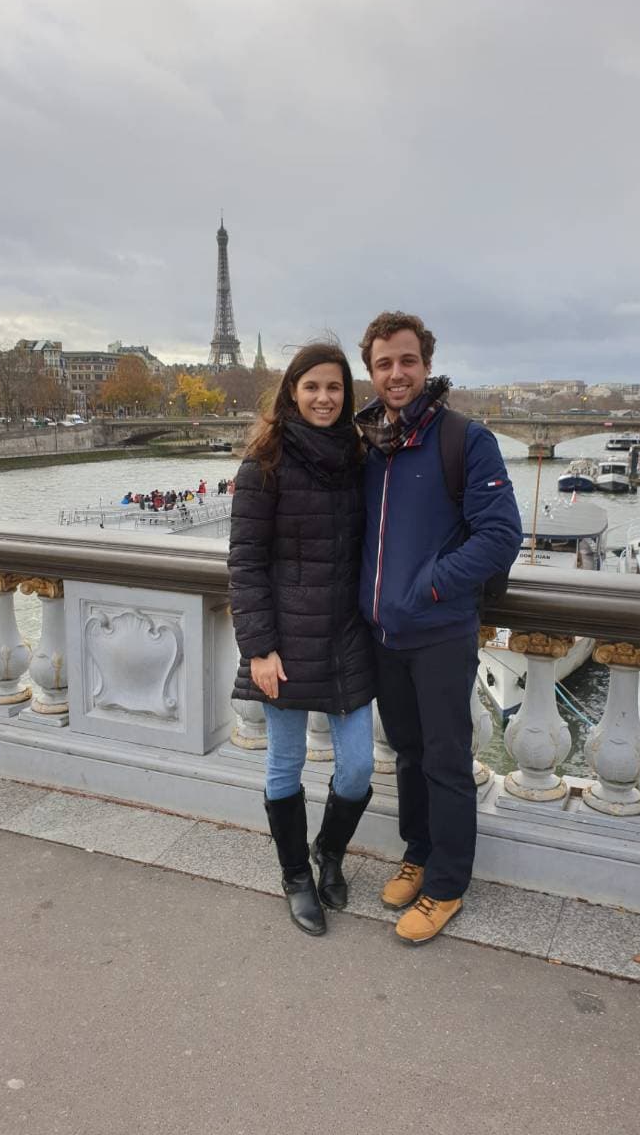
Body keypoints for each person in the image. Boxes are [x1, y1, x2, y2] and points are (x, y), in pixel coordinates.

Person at [356, 310, 522, 945]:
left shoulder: (464, 439)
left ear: (425, 364)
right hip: (383, 633)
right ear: (370, 372)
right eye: (383, 364)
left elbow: (502, 535)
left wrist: (426, 585)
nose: (395, 374)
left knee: (447, 761)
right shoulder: (367, 444)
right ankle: (419, 853)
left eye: (406, 361)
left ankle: (447, 885)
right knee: (408, 755)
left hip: (439, 630)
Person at [228, 340, 376, 937]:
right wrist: (259, 649)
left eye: (335, 387)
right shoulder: (263, 464)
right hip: (285, 643)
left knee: (360, 768)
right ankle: (295, 877)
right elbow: (245, 565)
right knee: (285, 765)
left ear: (347, 395)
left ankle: (329, 853)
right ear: (293, 391)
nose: (324, 397)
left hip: (345, 636)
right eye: (312, 386)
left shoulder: (362, 459)